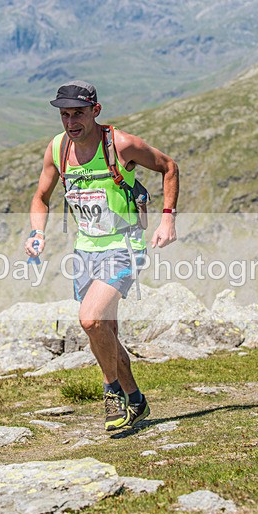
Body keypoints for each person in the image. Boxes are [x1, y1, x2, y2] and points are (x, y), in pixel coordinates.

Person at [25, 80, 179, 432]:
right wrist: (36, 233)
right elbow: (40, 196)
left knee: (91, 319)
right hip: (85, 251)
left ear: (95, 110)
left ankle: (110, 390)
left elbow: (169, 167)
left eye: (78, 113)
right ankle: (135, 399)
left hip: (124, 248)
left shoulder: (120, 145)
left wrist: (167, 220)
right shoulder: (57, 149)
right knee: (104, 331)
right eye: (65, 115)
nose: (71, 122)